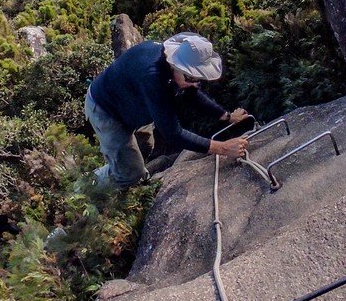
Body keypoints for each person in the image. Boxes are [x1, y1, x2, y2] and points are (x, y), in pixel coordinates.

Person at [85, 32, 250, 188]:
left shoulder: (177, 66)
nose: (194, 83)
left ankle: (121, 167)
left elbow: (192, 94)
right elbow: (173, 133)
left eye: (198, 78)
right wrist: (223, 148)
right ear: (174, 65)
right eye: (190, 77)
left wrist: (227, 116)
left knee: (145, 146)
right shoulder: (153, 77)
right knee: (131, 174)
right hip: (106, 110)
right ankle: (88, 185)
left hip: (134, 104)